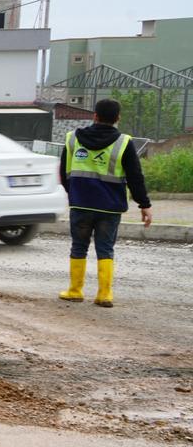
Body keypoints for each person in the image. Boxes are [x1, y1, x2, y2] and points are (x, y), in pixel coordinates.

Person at [59, 98, 152, 307]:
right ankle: (104, 295)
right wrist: (144, 204)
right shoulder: (124, 143)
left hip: (81, 204)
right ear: (118, 118)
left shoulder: (73, 138)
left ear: (95, 116)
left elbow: (64, 173)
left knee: (79, 246)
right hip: (109, 207)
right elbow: (135, 176)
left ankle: (74, 290)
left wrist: (74, 192)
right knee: (105, 248)